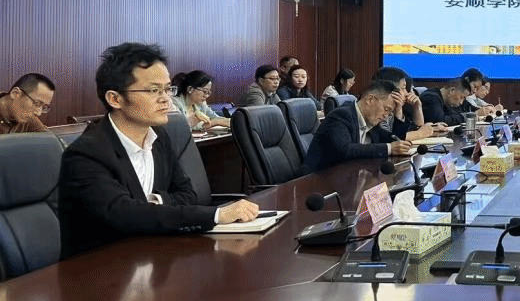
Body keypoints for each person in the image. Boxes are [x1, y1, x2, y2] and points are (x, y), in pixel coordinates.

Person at [58, 43, 259, 259]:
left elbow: (188, 195)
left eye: (167, 89)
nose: (165, 99)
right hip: (101, 268)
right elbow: (123, 214)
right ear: (115, 99)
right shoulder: (87, 153)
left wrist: (151, 204)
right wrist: (217, 215)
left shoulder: (158, 137)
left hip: (153, 254)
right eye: (153, 90)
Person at [304, 80, 414, 172]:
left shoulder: (371, 123)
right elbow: (345, 150)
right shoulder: (341, 115)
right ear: (370, 100)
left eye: (390, 112)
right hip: (319, 181)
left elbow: (395, 139)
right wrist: (389, 148)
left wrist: (398, 111)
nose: (386, 116)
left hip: (349, 177)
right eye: (386, 109)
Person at [371, 66, 442, 141]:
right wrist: (421, 133)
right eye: (403, 88)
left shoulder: (397, 109)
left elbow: (413, 129)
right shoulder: (379, 110)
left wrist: (417, 107)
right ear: (390, 90)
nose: (406, 93)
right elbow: (391, 139)